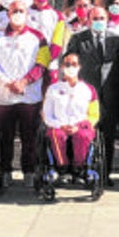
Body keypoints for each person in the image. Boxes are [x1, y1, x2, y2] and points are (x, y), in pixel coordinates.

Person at [0, 0, 51, 187]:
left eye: (21, 11)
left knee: (28, 137)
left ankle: (28, 171)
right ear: (8, 14)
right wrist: (6, 82)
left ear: (27, 13)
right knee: (4, 137)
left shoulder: (38, 37)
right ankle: (5, 170)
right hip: (4, 97)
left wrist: (25, 81)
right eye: (14, 11)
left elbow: (42, 63)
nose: (17, 14)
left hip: (29, 96)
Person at [64, 6, 119, 185]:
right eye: (95, 18)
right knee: (83, 136)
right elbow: (69, 63)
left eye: (102, 18)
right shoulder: (78, 39)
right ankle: (81, 172)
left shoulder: (117, 40)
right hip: (86, 97)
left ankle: (105, 174)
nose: (99, 22)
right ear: (89, 20)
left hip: (110, 96)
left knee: (107, 138)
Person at [42, 53, 101, 184]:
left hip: (81, 125)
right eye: (67, 64)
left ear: (79, 67)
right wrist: (60, 125)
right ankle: (62, 168)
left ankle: (78, 167)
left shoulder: (88, 89)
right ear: (62, 67)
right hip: (59, 125)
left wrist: (79, 126)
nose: (70, 67)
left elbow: (94, 114)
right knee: (56, 134)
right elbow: (46, 113)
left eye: (74, 64)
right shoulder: (53, 89)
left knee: (83, 135)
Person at [29, 0, 68, 69]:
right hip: (28, 62)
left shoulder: (57, 16)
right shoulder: (25, 13)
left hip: (49, 65)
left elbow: (57, 42)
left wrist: (46, 60)